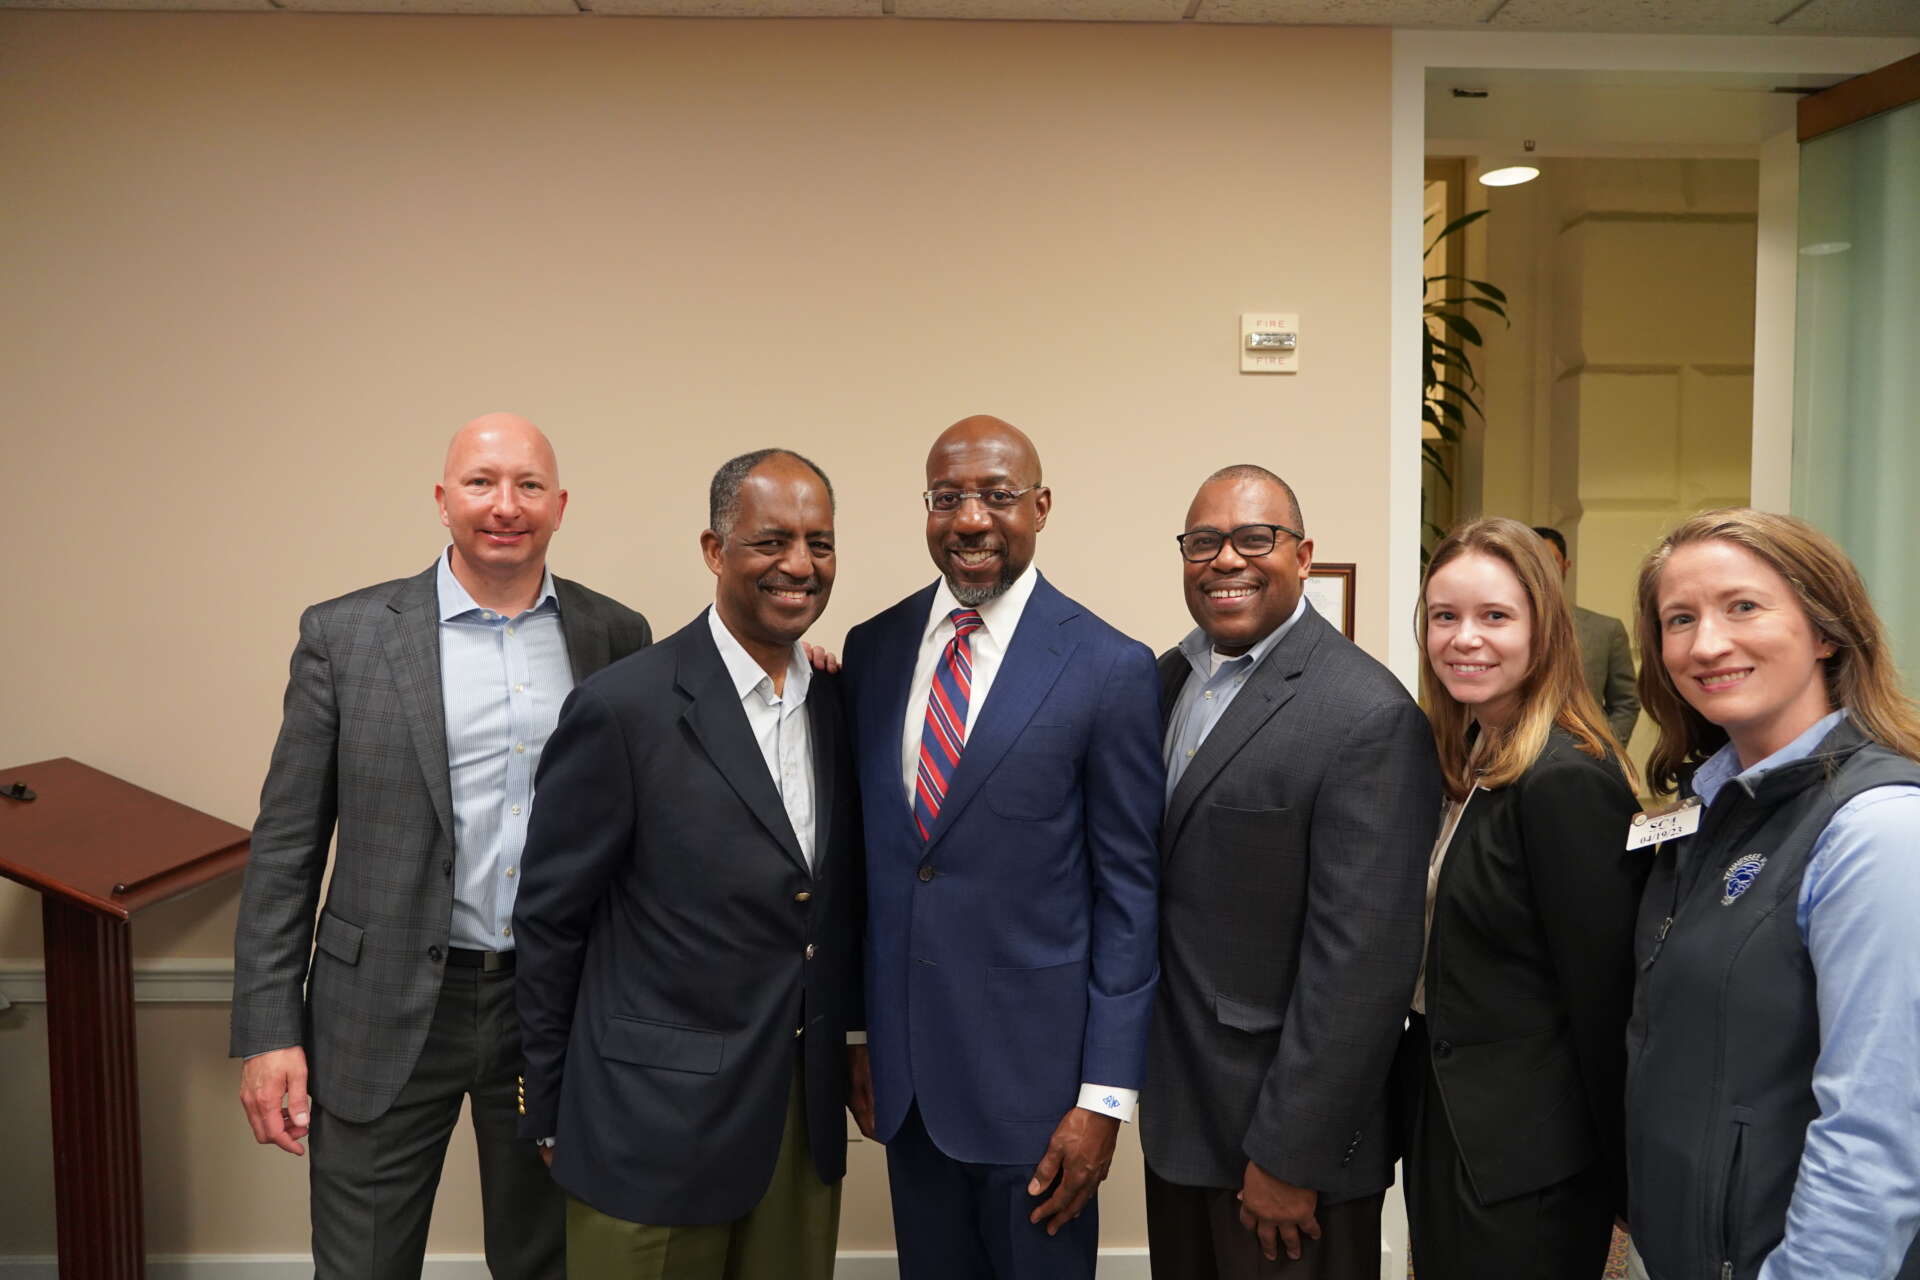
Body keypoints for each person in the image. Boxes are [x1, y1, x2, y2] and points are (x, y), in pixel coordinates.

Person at [230, 413, 651, 1278]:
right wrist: (270, 1032)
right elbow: (284, 849)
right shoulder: (346, 635)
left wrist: (797, 669)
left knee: (546, 1261)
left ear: (560, 504)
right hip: (376, 1005)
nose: (506, 506)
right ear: (442, 499)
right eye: (481, 482)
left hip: (551, 1008)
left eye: (528, 485)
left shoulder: (615, 637)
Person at [510, 448, 860, 1279]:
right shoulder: (622, 708)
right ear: (714, 550)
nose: (800, 565)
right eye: (771, 541)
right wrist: (548, 1106)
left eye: (819, 543)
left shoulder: (841, 705)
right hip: (647, 1129)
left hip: (798, 1126)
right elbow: (550, 922)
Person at [840, 414, 1162, 1280]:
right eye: (947, 498)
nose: (971, 519)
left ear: (1041, 507)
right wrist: (860, 1034)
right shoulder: (872, 652)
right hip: (909, 1088)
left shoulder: (1109, 667)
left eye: (997, 494)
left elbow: (1129, 898)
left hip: (1042, 1100)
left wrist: (1104, 1099)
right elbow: (870, 872)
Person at [1141, 465, 1442, 1279]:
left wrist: (1291, 1155)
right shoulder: (1168, 680)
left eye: (1254, 538)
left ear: (1303, 556)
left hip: (1283, 1152)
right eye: (1203, 542)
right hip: (1180, 1121)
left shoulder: (1367, 714)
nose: (1225, 559)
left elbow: (1363, 965)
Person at [1625, 508, 1920, 1280]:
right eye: (1679, 619)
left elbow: (1876, 1131)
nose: (1706, 644)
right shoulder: (1712, 808)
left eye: (1743, 607)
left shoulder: (1877, 828)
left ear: (1826, 631)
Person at [1397, 515, 1647, 1280]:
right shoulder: (1472, 753)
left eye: (1495, 616)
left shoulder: (1566, 778)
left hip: (1529, 1158)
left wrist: (1625, 1180)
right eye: (1445, 616)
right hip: (1451, 1119)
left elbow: (1606, 1001)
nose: (1464, 638)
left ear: (1545, 631)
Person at [1532, 525, 1640, 746]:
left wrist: (1606, 748)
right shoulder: (1497, 631)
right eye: (1533, 561)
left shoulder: (1605, 630)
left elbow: (1626, 703)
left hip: (1586, 753)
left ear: (1565, 566)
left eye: (1551, 560)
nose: (1543, 569)